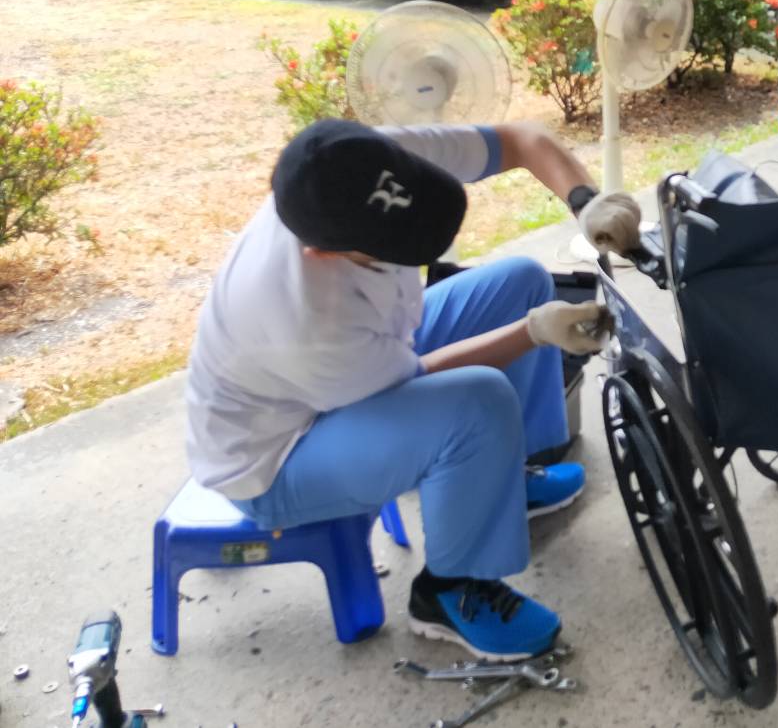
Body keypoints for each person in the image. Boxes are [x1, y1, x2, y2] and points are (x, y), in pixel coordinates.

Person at [184, 118, 640, 660]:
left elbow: (522, 140)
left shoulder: (367, 164)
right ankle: (448, 590)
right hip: (279, 457)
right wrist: (533, 333)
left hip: (355, 366)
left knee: (520, 280)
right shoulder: (304, 314)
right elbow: (422, 378)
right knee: (477, 402)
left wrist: (585, 201)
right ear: (324, 253)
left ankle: (502, 485)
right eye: (391, 251)